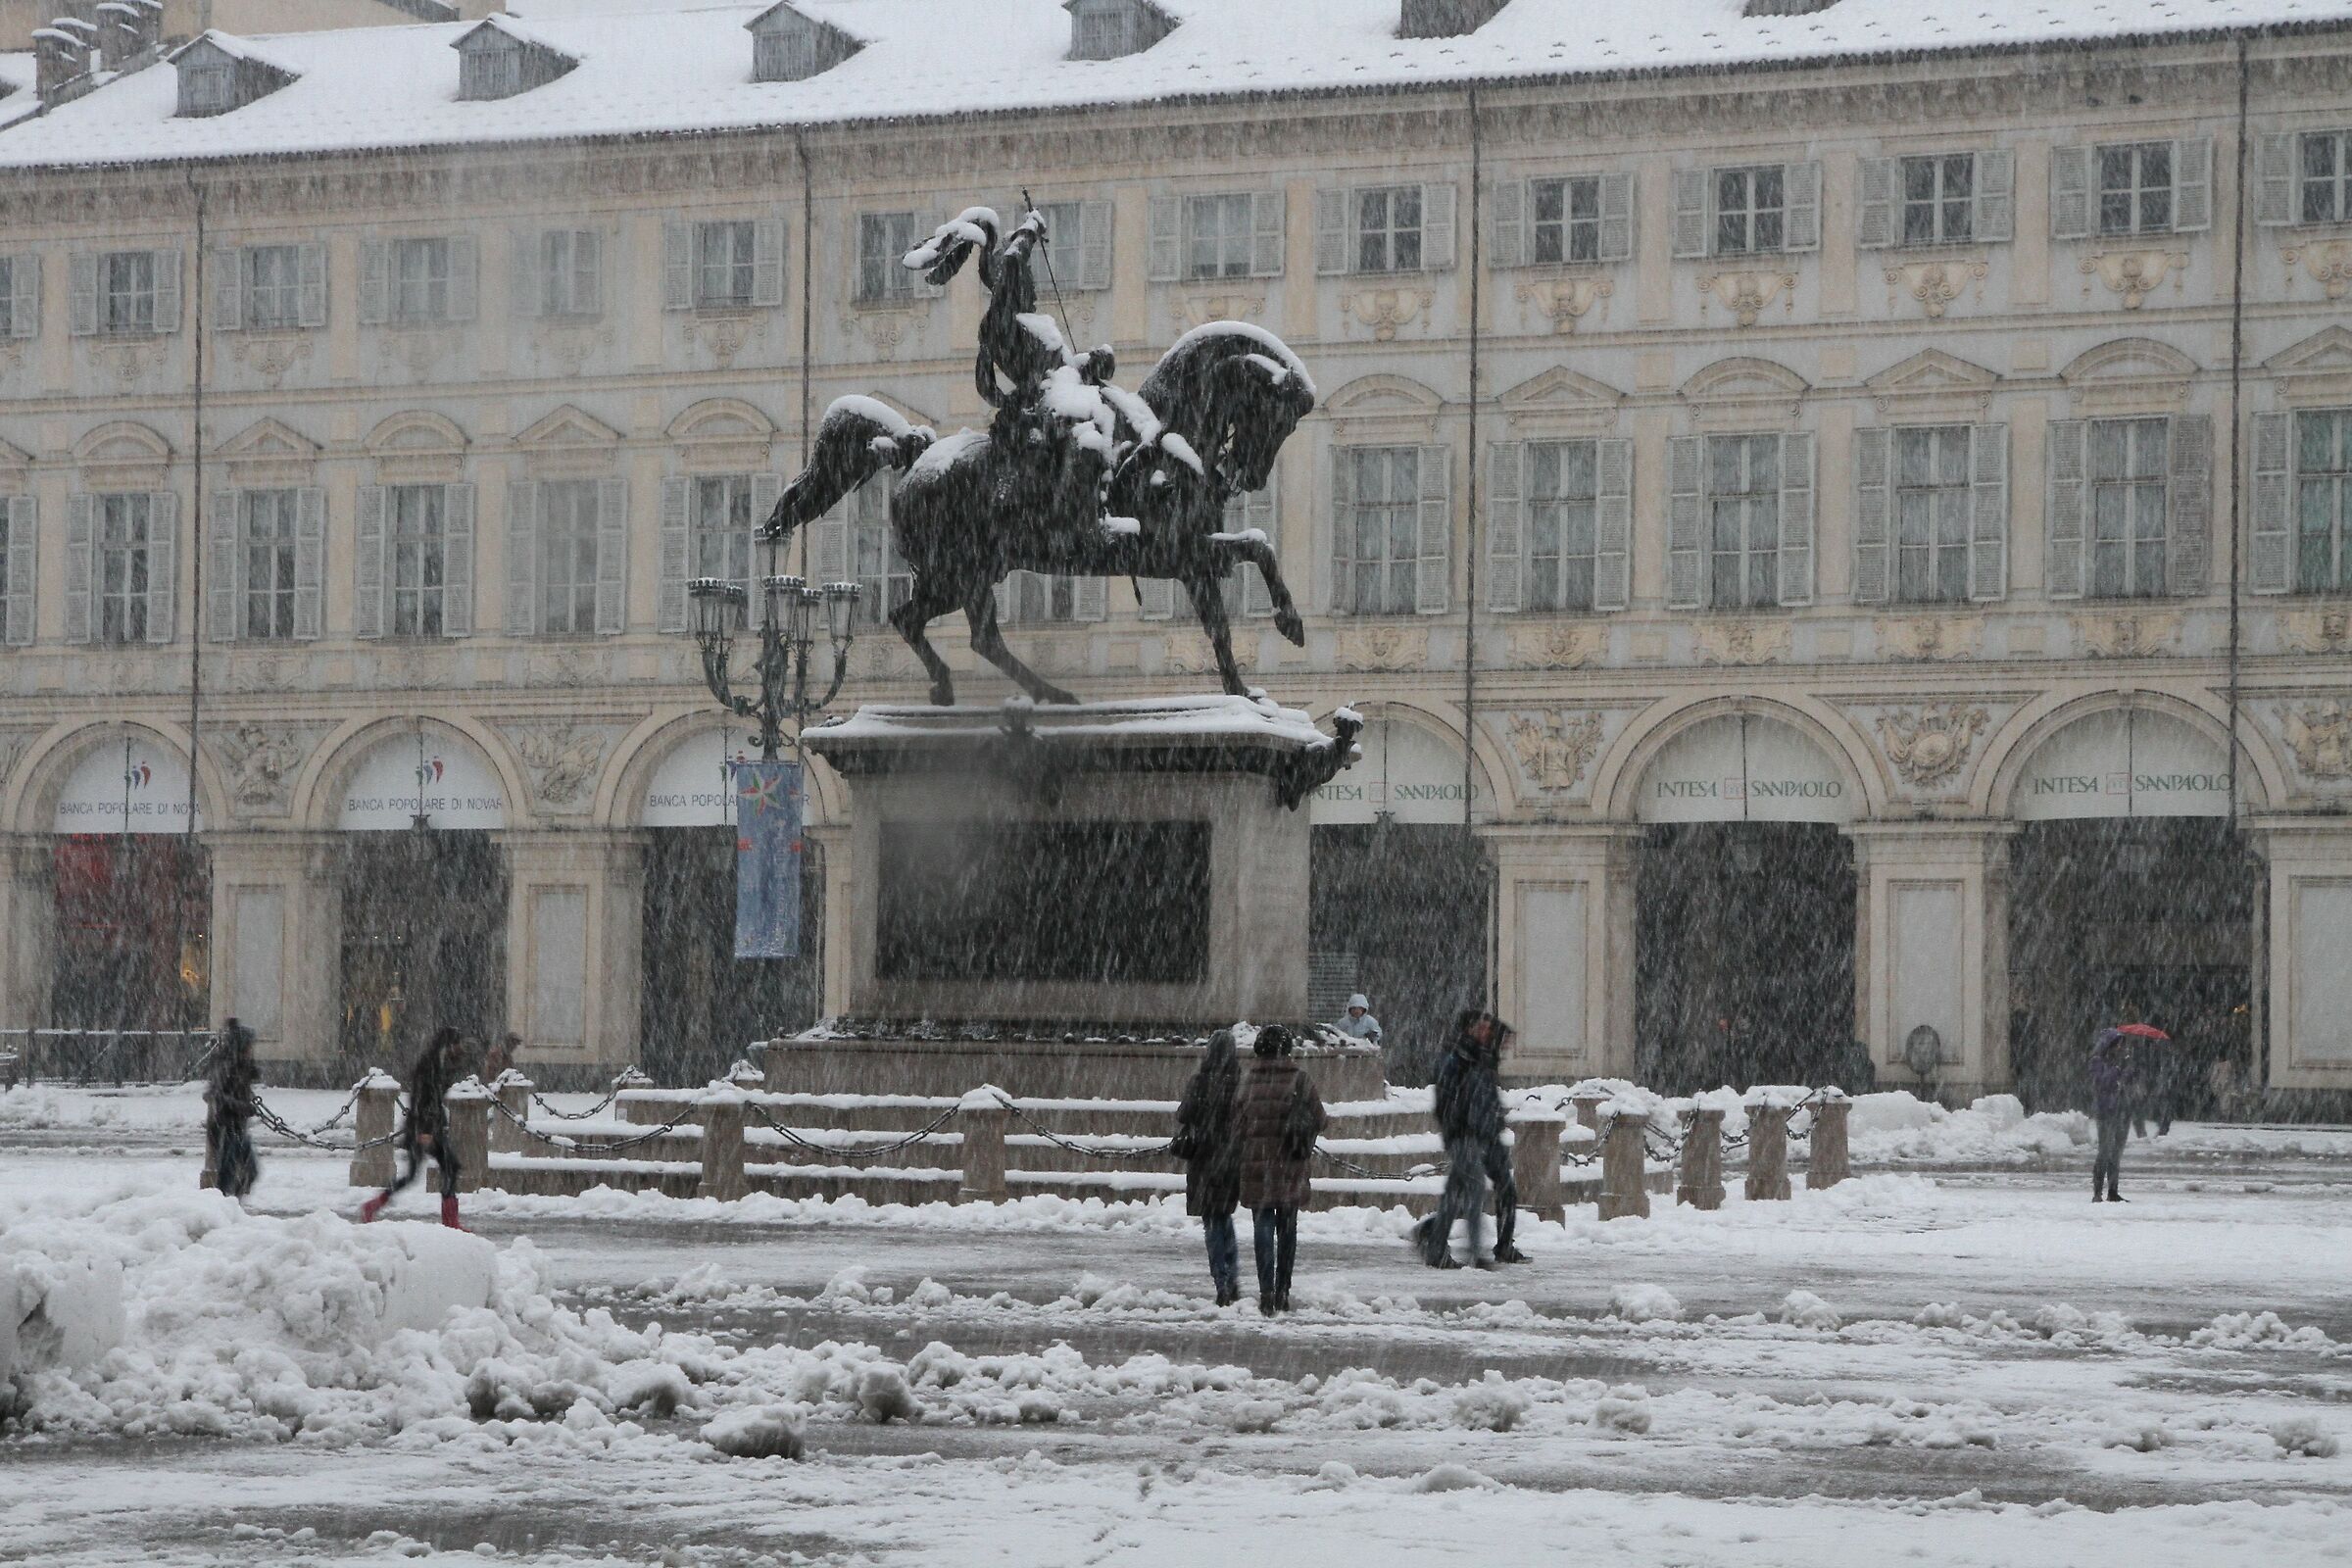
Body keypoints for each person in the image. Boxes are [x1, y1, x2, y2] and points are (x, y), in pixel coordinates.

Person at [1237, 1024, 1325, 1316]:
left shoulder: (1248, 1081)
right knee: (1287, 1229)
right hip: (1290, 1164)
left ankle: (1266, 1291)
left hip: (1257, 1165)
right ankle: (1283, 1290)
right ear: (1287, 1049)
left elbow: (1236, 1123)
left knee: (1262, 1226)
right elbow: (1320, 1119)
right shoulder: (1300, 1080)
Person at [1425, 1010, 1519, 1268]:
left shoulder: (1480, 1056)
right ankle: (1475, 1253)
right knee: (1473, 1191)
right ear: (1468, 1029)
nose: (1487, 1032)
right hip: (1466, 1134)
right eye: (1481, 1027)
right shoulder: (1458, 1057)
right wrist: (1459, 1127)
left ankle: (1434, 1242)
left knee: (1458, 1194)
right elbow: (1448, 1098)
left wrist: (1493, 1120)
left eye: (1488, 1028)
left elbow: (1484, 1095)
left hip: (1484, 1133)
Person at [359, 1026, 472, 1228]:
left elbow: (435, 1094)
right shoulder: (429, 1064)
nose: (460, 1048)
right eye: (457, 1044)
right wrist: (425, 1130)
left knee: (445, 1167)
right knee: (432, 1170)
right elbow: (421, 1098)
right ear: (448, 1045)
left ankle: (375, 1205)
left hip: (430, 1126)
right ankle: (449, 1221)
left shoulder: (439, 1063)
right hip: (423, 1127)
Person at [1173, 1028, 1246, 1305]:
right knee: (1225, 1219)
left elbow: (1183, 1114)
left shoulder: (1200, 1082)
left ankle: (1221, 1280)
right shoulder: (1239, 1082)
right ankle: (1233, 1276)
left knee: (1211, 1222)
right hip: (1229, 1160)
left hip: (1203, 1159)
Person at [204, 1018, 261, 1200]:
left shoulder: (241, 1066)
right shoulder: (226, 1066)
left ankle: (233, 1203)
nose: (252, 1049)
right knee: (227, 1174)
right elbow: (216, 1095)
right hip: (225, 1127)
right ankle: (225, 1204)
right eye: (250, 1045)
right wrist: (243, 1107)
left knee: (251, 1171)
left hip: (237, 1127)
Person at [2088, 1026, 2132, 1203]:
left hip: (2122, 1110)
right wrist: (2117, 1069)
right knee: (2105, 1151)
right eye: (2117, 1044)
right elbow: (2102, 1082)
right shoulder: (2098, 1061)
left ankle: (2113, 1190)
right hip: (2106, 1111)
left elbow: (2127, 1082)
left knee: (2116, 1153)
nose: (2120, 1048)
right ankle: (2097, 1191)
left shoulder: (2120, 1062)